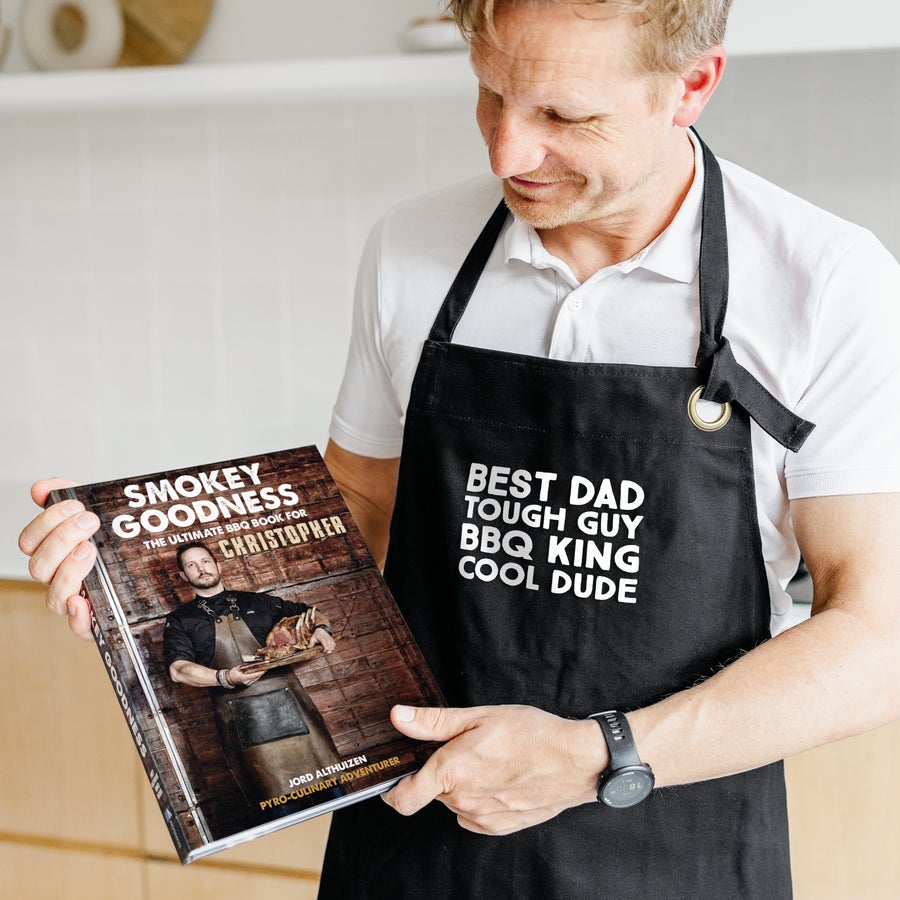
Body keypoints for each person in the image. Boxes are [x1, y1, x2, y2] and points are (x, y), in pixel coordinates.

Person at [17, 1, 900, 897]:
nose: (507, 154)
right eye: (489, 95)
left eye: (563, 115)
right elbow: (353, 516)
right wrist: (138, 573)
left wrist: (598, 754)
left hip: (674, 846)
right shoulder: (413, 252)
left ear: (693, 85)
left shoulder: (823, 283)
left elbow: (879, 635)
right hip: (414, 849)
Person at [163, 541, 343, 816]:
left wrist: (320, 628)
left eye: (205, 561)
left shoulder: (256, 602)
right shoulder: (180, 620)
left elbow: (311, 611)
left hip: (296, 712)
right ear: (183, 577)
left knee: (336, 796)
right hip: (244, 724)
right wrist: (225, 677)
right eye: (191, 565)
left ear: (217, 564)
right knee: (280, 808)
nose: (201, 568)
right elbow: (179, 669)